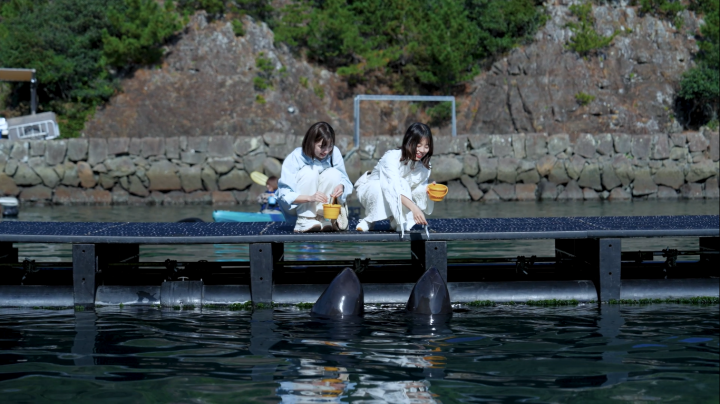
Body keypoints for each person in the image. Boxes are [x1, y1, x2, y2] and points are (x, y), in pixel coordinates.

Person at [355, 122, 435, 235]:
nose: (422, 150)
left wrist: (428, 189)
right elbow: (392, 187)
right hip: (371, 190)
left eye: (426, 146)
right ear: (409, 142)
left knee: (403, 184)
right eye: (418, 145)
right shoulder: (392, 157)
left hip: (398, 194)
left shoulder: (425, 167)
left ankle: (397, 220)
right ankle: (369, 219)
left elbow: (415, 190)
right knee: (384, 185)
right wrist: (414, 208)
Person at [277, 122, 353, 232]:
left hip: (322, 210)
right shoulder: (296, 157)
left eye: (330, 146)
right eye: (321, 146)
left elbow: (345, 180)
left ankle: (321, 218)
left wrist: (341, 186)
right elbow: (285, 195)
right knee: (310, 171)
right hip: (296, 208)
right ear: (311, 142)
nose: (326, 151)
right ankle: (304, 219)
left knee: (334, 173)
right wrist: (310, 198)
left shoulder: (334, 153)